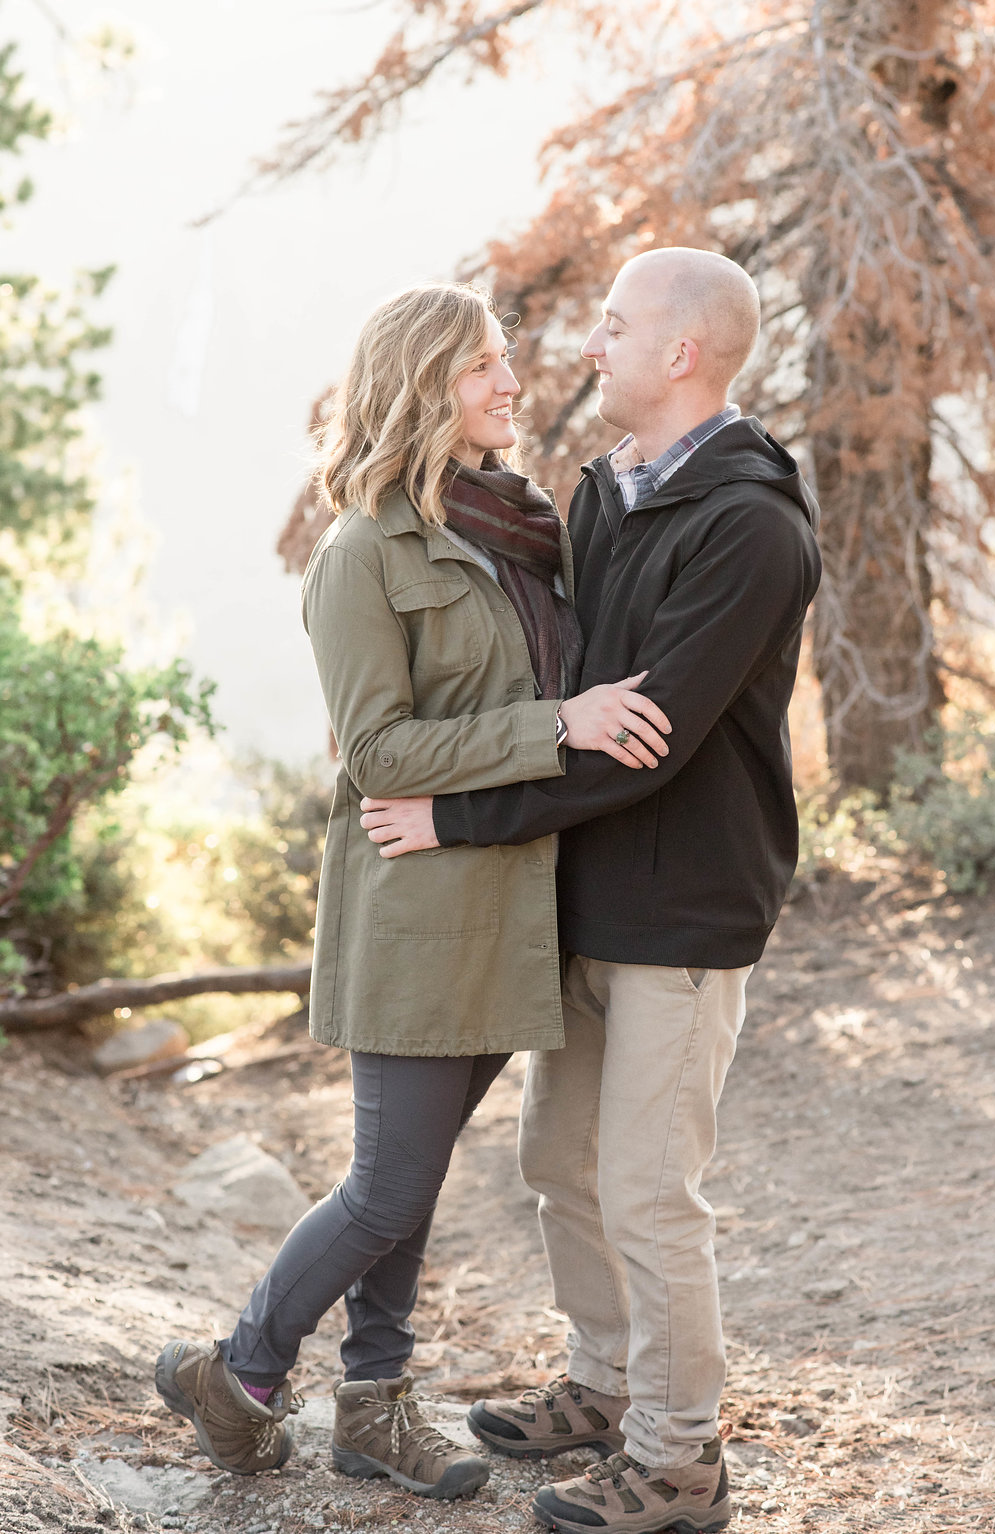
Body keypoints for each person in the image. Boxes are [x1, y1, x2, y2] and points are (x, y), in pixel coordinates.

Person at [153, 281, 671, 1502]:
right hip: (415, 915)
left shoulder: (520, 521)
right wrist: (563, 722)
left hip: (511, 907)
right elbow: (375, 752)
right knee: (387, 1185)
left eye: (504, 362)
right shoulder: (360, 552)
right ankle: (240, 1368)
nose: (510, 382)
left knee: (413, 1176)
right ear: (423, 383)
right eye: (484, 365)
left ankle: (371, 1407)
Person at [358, 248, 823, 1533]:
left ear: (682, 354)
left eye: (614, 327)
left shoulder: (750, 526)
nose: (589, 346)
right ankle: (609, 1383)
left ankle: (679, 1460)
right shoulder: (605, 491)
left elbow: (641, 739)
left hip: (685, 908)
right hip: (592, 891)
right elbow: (568, 701)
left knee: (649, 1190)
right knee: (556, 1157)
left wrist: (455, 816)